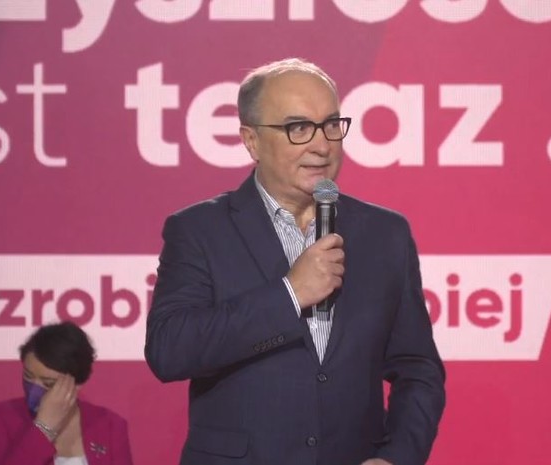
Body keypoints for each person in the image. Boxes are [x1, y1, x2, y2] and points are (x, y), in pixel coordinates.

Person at [145, 57, 446, 465]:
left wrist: (397, 457)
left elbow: (418, 368)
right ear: (251, 140)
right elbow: (170, 350)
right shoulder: (199, 230)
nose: (322, 145)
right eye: (299, 128)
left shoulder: (384, 233)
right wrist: (289, 295)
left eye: (331, 125)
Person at [0, 322, 134, 465]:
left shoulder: (110, 425)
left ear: (78, 383)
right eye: (28, 376)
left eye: (48, 383)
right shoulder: (0, 417)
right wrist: (44, 428)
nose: (34, 389)